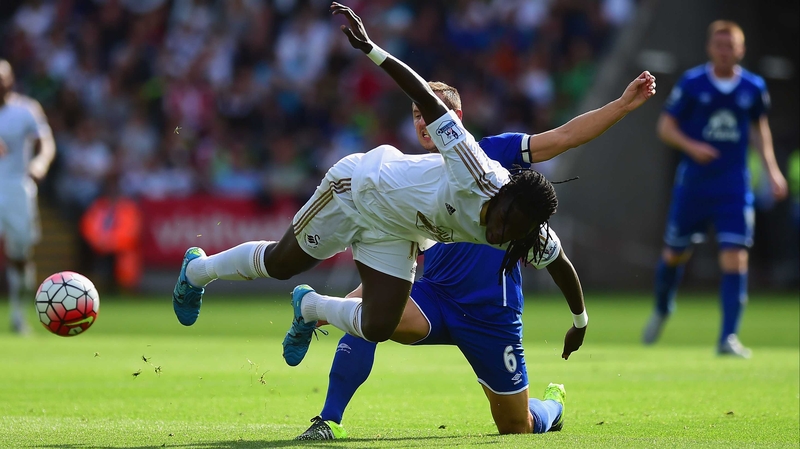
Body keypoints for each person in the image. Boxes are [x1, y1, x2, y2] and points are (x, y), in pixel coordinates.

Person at [172, 2, 655, 349]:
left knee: (379, 326)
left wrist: (580, 319)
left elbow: (562, 266)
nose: (500, 234)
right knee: (281, 263)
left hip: (398, 230)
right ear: (504, 193)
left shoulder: (525, 229)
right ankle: (196, 271)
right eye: (504, 222)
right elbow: (427, 97)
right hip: (357, 190)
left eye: (512, 234)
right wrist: (373, 50)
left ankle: (311, 307)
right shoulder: (477, 168)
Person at [292, 80, 586, 440]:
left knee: (516, 427)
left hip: (490, 315)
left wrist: (579, 321)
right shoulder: (413, 174)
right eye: (416, 116)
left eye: (428, 114)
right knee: (371, 319)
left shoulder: (488, 157)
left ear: (455, 119)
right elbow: (397, 259)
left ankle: (552, 405)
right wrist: (345, 303)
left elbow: (565, 138)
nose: (422, 123)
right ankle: (328, 420)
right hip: (435, 298)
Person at [642, 21, 788, 357]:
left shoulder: (753, 87)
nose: (725, 51)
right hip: (694, 185)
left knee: (735, 257)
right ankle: (663, 307)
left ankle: (728, 338)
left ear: (741, 50)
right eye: (719, 45)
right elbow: (665, 126)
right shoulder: (693, 83)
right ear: (710, 48)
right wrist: (692, 147)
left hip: (733, 187)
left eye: (731, 46)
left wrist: (772, 172)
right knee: (674, 254)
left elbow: (759, 131)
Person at [0, 59, 56, 334]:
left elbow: (46, 141)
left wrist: (40, 163)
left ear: (10, 81)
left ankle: (18, 314)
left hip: (16, 187)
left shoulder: (26, 110)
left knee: (20, 254)